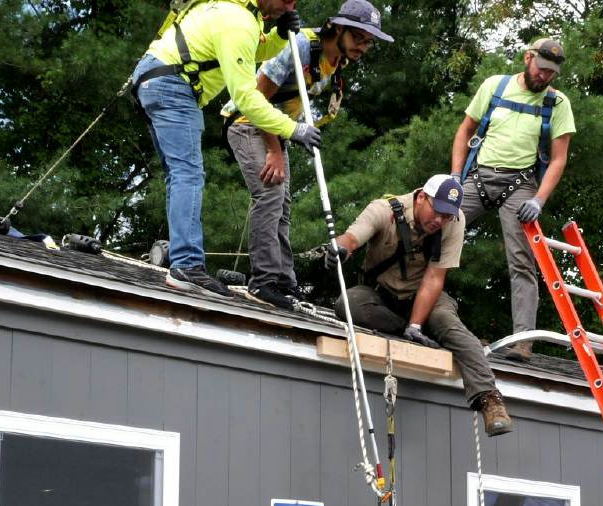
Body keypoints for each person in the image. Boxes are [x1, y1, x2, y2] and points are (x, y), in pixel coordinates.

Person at [129, 0, 323, 297]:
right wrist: (294, 129)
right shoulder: (239, 21)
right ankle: (187, 265)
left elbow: (252, 53)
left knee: (179, 175)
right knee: (188, 174)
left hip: (157, 78)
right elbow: (247, 99)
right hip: (172, 83)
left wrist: (279, 37)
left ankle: (184, 261)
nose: (291, 5)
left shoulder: (244, 14)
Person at [221, 0, 392, 309]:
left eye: (369, 42)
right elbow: (257, 97)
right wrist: (274, 151)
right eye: (358, 38)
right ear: (337, 28)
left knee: (283, 206)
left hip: (277, 130)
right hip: (249, 124)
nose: (364, 47)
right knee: (270, 195)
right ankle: (263, 281)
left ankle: (284, 281)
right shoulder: (301, 45)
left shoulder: (337, 60)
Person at [328, 175, 514, 436]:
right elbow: (352, 237)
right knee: (348, 303)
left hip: (425, 296)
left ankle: (489, 400)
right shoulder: (384, 210)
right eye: (437, 211)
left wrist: (418, 322)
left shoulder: (453, 223)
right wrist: (340, 248)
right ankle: (415, 331)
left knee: (449, 324)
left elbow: (434, 278)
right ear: (421, 197)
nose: (440, 220)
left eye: (447, 216)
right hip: (382, 297)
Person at [449, 38, 576, 361]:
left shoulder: (557, 103)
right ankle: (412, 311)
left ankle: (522, 342)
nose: (545, 77)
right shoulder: (496, 86)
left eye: (552, 73)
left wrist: (540, 200)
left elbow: (559, 159)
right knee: (437, 228)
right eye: (542, 68)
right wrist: (454, 177)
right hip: (478, 177)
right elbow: (465, 131)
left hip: (519, 184)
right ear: (527, 58)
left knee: (523, 260)